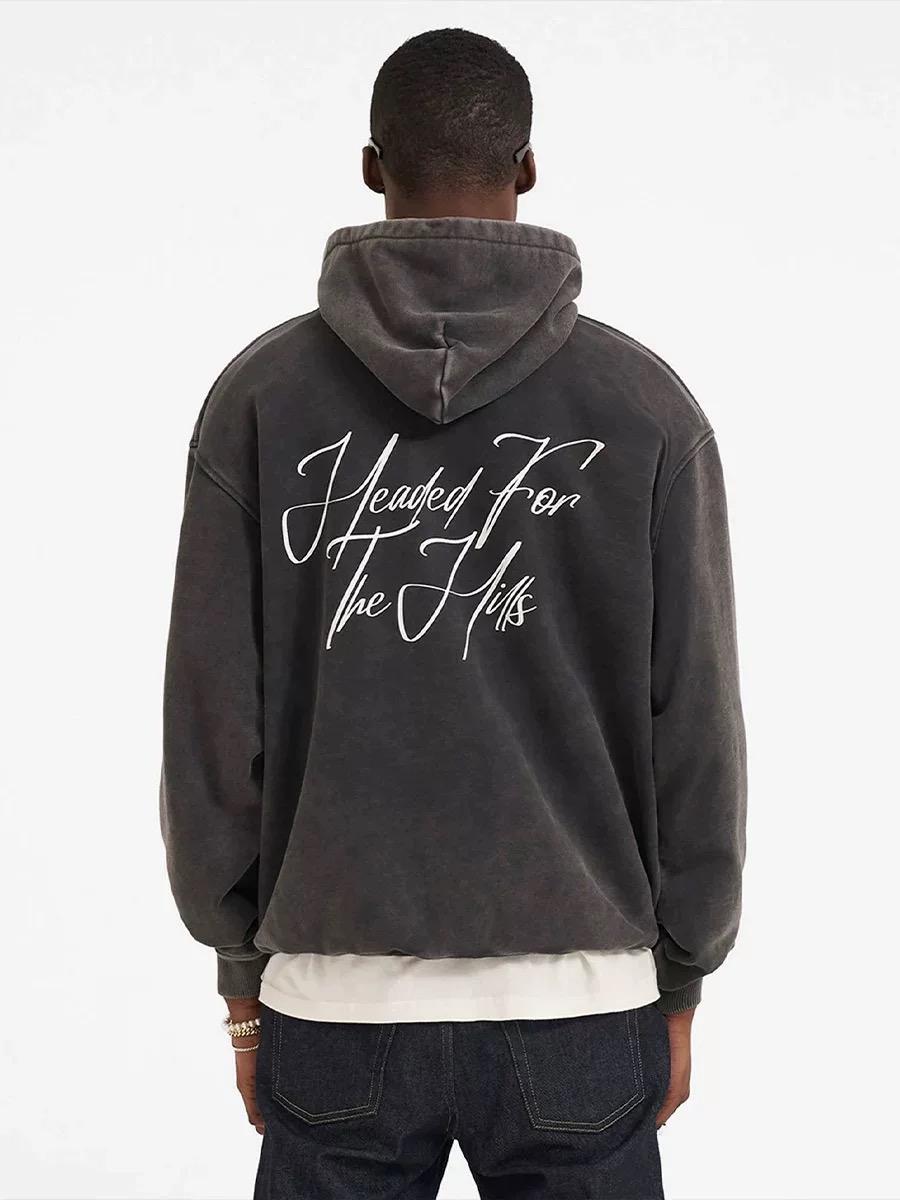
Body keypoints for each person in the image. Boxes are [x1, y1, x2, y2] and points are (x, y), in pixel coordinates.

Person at [160, 27, 747, 1200]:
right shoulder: (643, 407)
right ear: (525, 168)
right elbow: (694, 723)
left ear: (372, 167)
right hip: (582, 1008)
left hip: (334, 1005)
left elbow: (213, 723)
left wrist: (242, 979)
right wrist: (682, 974)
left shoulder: (262, 400)